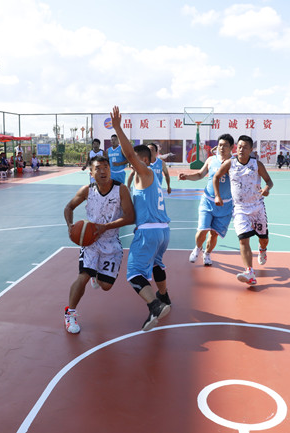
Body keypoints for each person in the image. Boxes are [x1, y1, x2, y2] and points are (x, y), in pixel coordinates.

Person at [111, 106, 172, 331]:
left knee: (134, 273)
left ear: (144, 160)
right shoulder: (144, 178)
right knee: (156, 264)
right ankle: (164, 297)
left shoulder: (146, 172)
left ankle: (155, 306)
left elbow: (129, 154)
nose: (130, 162)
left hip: (149, 232)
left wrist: (118, 128)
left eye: (135, 159)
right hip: (163, 231)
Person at [62, 155, 135, 334]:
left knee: (106, 286)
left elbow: (130, 217)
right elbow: (69, 207)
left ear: (110, 169)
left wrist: (106, 227)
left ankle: (97, 275)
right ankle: (70, 313)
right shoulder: (87, 191)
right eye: (98, 168)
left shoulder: (121, 190)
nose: (103, 171)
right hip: (91, 242)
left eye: (105, 167)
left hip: (111, 241)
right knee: (83, 276)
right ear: (91, 173)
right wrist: (70, 226)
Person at [214, 135, 274, 285]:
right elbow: (216, 177)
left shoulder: (257, 164)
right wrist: (217, 196)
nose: (241, 149)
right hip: (240, 209)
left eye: (245, 147)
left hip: (257, 208)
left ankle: (262, 249)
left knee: (264, 239)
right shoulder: (230, 163)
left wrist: (266, 188)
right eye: (239, 147)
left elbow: (269, 181)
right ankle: (249, 272)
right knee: (243, 240)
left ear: (251, 149)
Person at [179, 133, 234, 266]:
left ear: (231, 147)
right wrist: (187, 177)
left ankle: (207, 254)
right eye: (220, 145)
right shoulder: (211, 160)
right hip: (208, 200)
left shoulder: (234, 163)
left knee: (214, 234)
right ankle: (197, 248)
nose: (222, 148)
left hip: (225, 204)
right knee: (202, 229)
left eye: (225, 145)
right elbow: (200, 174)